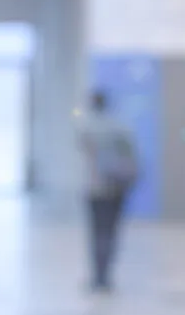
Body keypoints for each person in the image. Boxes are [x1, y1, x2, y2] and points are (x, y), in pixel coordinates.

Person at [77, 90, 138, 293]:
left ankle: (98, 276)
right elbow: (132, 156)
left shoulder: (87, 127)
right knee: (111, 232)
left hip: (95, 189)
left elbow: (82, 147)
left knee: (97, 233)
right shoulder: (120, 126)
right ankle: (107, 276)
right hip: (117, 188)